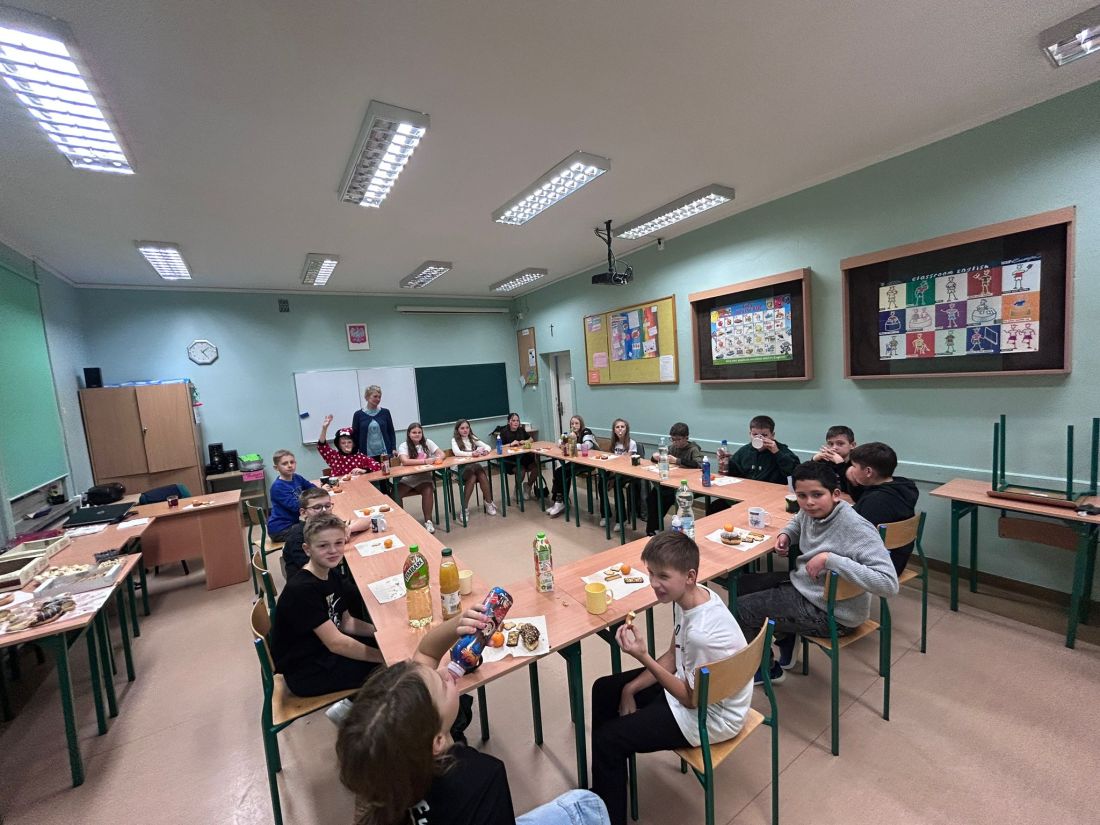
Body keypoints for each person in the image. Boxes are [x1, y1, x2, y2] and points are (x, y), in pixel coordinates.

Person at [336, 611, 611, 825]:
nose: (446, 673)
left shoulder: (380, 778)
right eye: (442, 684)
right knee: (585, 804)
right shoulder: (479, 777)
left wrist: (461, 622)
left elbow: (426, 653)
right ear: (437, 742)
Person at [590, 532, 751, 825]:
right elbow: (675, 656)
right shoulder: (692, 597)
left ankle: (609, 811)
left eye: (663, 576)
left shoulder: (702, 633)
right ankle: (608, 782)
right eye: (651, 573)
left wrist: (642, 656)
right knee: (605, 689)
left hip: (712, 717)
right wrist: (630, 689)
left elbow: (690, 699)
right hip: (699, 692)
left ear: (690, 576)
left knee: (606, 740)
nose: (654, 583)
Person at [733, 461, 899, 681]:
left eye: (817, 495)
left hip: (835, 615)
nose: (809, 502)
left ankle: (766, 671)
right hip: (810, 588)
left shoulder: (856, 527)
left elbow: (889, 584)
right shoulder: (812, 511)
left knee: (741, 609)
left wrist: (830, 559)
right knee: (742, 585)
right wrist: (786, 535)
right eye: (802, 496)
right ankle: (785, 637)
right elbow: (797, 521)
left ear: (835, 494)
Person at [270, 513, 383, 696]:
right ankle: (352, 706)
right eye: (323, 546)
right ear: (307, 549)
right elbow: (336, 643)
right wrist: (384, 657)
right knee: (394, 671)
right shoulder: (302, 590)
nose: (333, 551)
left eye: (339, 543)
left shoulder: (330, 573)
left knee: (384, 645)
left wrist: (382, 632)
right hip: (307, 671)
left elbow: (346, 622)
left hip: (323, 651)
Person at [846, 442, 920, 574]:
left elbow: (855, 536)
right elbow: (863, 497)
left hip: (879, 565)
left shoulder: (877, 501)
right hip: (898, 557)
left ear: (868, 471)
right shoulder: (902, 487)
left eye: (854, 466)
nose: (851, 469)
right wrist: (854, 483)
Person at [708, 415, 799, 514]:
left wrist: (777, 453)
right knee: (715, 508)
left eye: (764, 435)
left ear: (772, 435)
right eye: (754, 434)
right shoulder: (745, 450)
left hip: (770, 498)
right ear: (750, 434)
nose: (759, 438)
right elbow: (735, 473)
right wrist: (726, 462)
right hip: (745, 495)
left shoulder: (782, 451)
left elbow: (795, 474)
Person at [280, 487, 372, 581]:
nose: (324, 510)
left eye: (327, 506)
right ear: (303, 512)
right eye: (317, 507)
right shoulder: (297, 537)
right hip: (314, 583)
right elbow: (316, 571)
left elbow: (366, 521)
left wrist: (348, 529)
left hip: (331, 575)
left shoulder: (327, 525)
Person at [645, 422, 703, 535]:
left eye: (679, 439)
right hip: (671, 481)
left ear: (686, 438)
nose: (676, 442)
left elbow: (699, 464)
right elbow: (659, 458)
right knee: (651, 497)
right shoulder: (672, 447)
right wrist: (654, 457)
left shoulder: (693, 449)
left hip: (686, 484)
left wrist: (677, 460)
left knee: (663, 498)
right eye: (673, 439)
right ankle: (652, 529)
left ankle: (654, 529)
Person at [397, 422, 445, 534]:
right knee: (395, 495)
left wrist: (437, 459)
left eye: (419, 432)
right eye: (414, 432)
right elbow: (405, 461)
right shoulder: (404, 445)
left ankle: (428, 521)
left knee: (428, 489)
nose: (417, 434)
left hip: (424, 477)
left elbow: (442, 454)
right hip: (408, 478)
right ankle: (399, 522)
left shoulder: (427, 442)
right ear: (409, 434)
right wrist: (425, 461)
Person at [547, 415, 599, 518]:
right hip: (577, 461)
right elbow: (560, 442)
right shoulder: (572, 434)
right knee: (559, 472)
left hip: (590, 462)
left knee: (562, 473)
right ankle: (559, 501)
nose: (574, 425)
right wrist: (563, 443)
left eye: (576, 423)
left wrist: (572, 445)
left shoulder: (586, 432)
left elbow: (588, 445)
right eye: (572, 423)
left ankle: (559, 502)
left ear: (581, 424)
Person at [450, 418, 497, 519]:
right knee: (475, 471)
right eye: (462, 428)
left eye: (467, 428)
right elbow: (457, 453)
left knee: (478, 475)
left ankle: (488, 503)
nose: (465, 430)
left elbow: (487, 446)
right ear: (457, 430)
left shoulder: (472, 437)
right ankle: (464, 508)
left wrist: (486, 451)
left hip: (472, 469)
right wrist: (472, 453)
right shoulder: (454, 440)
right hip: (460, 469)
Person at [599, 418, 641, 527]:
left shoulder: (631, 443)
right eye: (617, 427)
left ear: (626, 429)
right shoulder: (614, 443)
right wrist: (611, 474)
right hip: (615, 470)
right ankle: (605, 515)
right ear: (614, 430)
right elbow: (612, 459)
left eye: (622, 427)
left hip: (627, 472)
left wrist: (612, 478)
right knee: (601, 482)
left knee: (617, 485)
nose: (620, 429)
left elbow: (625, 461)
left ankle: (621, 519)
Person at [267, 449, 317, 541]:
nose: (290, 465)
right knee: (317, 531)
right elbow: (296, 507)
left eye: (292, 462)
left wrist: (318, 492)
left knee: (320, 525)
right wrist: (312, 500)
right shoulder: (278, 487)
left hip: (294, 523)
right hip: (281, 529)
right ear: (276, 468)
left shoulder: (297, 477)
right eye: (285, 463)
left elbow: (311, 487)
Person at [491, 413, 540, 500]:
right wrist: (510, 444)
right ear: (508, 422)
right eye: (513, 420)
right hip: (510, 460)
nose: (516, 422)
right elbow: (499, 447)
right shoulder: (504, 432)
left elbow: (531, 439)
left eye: (517, 420)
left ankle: (528, 486)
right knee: (521, 471)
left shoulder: (521, 429)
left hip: (523, 457)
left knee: (536, 468)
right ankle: (517, 489)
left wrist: (525, 441)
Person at [318, 414, 382, 477]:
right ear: (339, 445)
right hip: (339, 483)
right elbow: (322, 446)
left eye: (349, 442)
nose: (346, 445)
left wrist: (364, 470)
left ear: (354, 444)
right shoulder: (334, 457)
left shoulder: (360, 457)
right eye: (343, 443)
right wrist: (324, 428)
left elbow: (377, 465)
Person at [351, 384, 397, 463]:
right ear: (367, 397)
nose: (378, 399)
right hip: (366, 455)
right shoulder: (358, 415)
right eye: (375, 396)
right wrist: (355, 452)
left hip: (385, 453)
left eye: (379, 397)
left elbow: (391, 432)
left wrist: (393, 448)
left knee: (387, 470)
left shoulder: (385, 412)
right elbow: (355, 435)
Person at [812, 425, 856, 496]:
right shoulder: (825, 460)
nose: (834, 447)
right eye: (830, 444)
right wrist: (814, 460)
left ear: (852, 445)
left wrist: (840, 464)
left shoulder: (857, 464)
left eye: (840, 444)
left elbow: (851, 490)